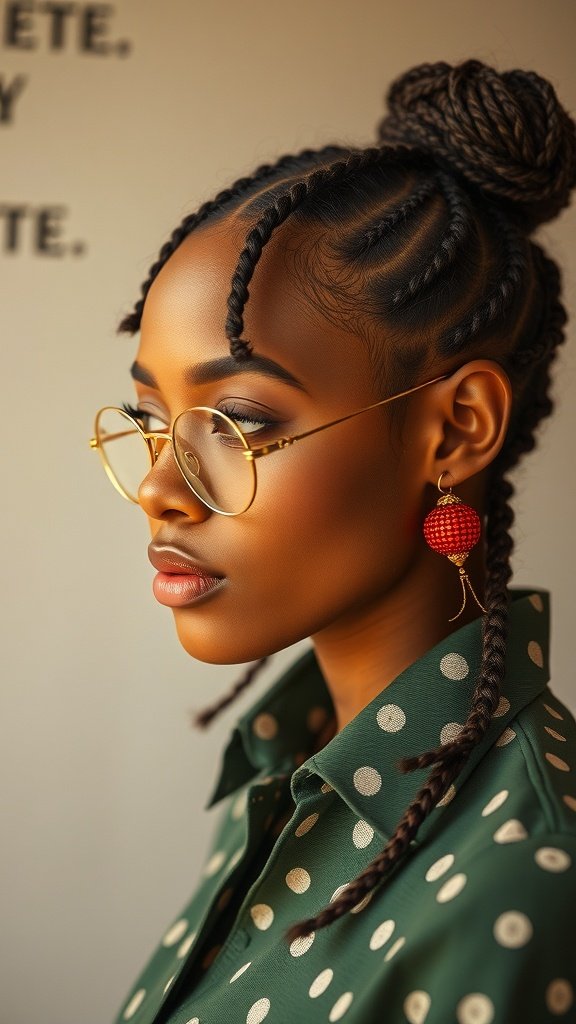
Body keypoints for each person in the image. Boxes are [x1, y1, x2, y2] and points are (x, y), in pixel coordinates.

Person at [91, 59, 576, 1024]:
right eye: (153, 417)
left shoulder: (525, 885)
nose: (158, 487)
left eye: (236, 420)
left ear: (457, 430)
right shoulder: (297, 769)